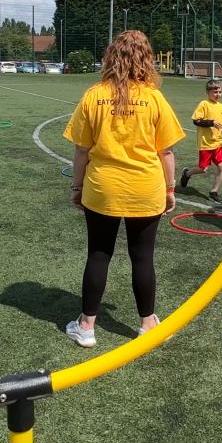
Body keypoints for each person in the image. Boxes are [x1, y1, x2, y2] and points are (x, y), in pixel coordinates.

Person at [63, 30, 185, 348]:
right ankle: (147, 324)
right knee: (142, 258)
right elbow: (166, 152)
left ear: (111, 56)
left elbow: (81, 150)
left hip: (102, 188)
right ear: (147, 58)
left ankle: (87, 326)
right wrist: (170, 189)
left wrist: (77, 187)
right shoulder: (154, 97)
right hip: (146, 188)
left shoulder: (94, 95)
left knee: (99, 254)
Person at [180, 79, 222, 204]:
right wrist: (211, 122)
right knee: (203, 169)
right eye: (215, 91)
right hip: (205, 143)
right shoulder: (204, 104)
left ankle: (214, 192)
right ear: (208, 92)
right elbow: (196, 120)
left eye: (220, 92)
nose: (218, 94)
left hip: (218, 143)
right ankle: (187, 173)